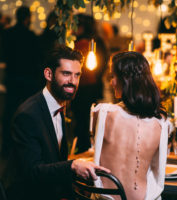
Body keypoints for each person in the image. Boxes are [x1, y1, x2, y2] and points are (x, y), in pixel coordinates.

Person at [2, 45, 109, 200]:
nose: (73, 82)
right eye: (66, 74)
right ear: (48, 74)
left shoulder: (59, 105)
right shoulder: (28, 115)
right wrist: (72, 166)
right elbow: (33, 171)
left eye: (77, 75)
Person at [91, 51, 171, 200]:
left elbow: (96, 148)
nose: (111, 82)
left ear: (125, 80)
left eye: (113, 77)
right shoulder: (161, 124)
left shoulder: (103, 113)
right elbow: (156, 169)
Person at [1, 6, 42, 154]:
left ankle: (7, 145)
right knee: (27, 112)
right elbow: (37, 58)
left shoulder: (8, 34)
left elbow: (4, 55)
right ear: (27, 19)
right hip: (28, 80)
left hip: (12, 78)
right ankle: (24, 145)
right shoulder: (31, 36)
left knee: (9, 112)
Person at [71, 14, 109, 153]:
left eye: (76, 26)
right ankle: (87, 148)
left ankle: (84, 149)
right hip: (91, 88)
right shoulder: (99, 41)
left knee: (84, 121)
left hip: (84, 89)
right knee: (88, 120)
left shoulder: (84, 43)